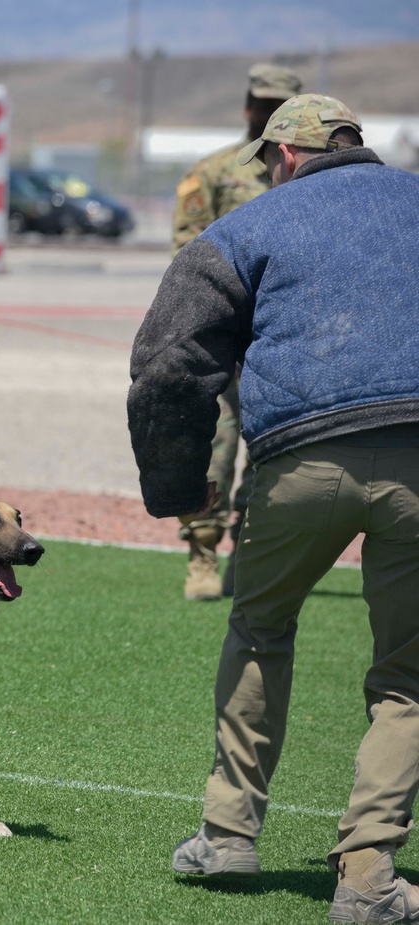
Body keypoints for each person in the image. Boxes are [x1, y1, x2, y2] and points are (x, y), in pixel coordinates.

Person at [128, 93, 419, 923]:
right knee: (406, 677)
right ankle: (368, 874)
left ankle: (226, 835)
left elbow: (168, 361)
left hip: (300, 461)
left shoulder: (247, 229)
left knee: (260, 628)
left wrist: (181, 488)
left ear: (285, 157)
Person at [171, 62, 301, 601]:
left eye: (278, 105)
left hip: (288, 337)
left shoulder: (312, 180)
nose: (266, 112)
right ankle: (201, 552)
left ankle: (247, 550)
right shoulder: (216, 172)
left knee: (274, 445)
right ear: (247, 106)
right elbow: (188, 253)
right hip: (225, 338)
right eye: (260, 102)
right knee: (214, 446)